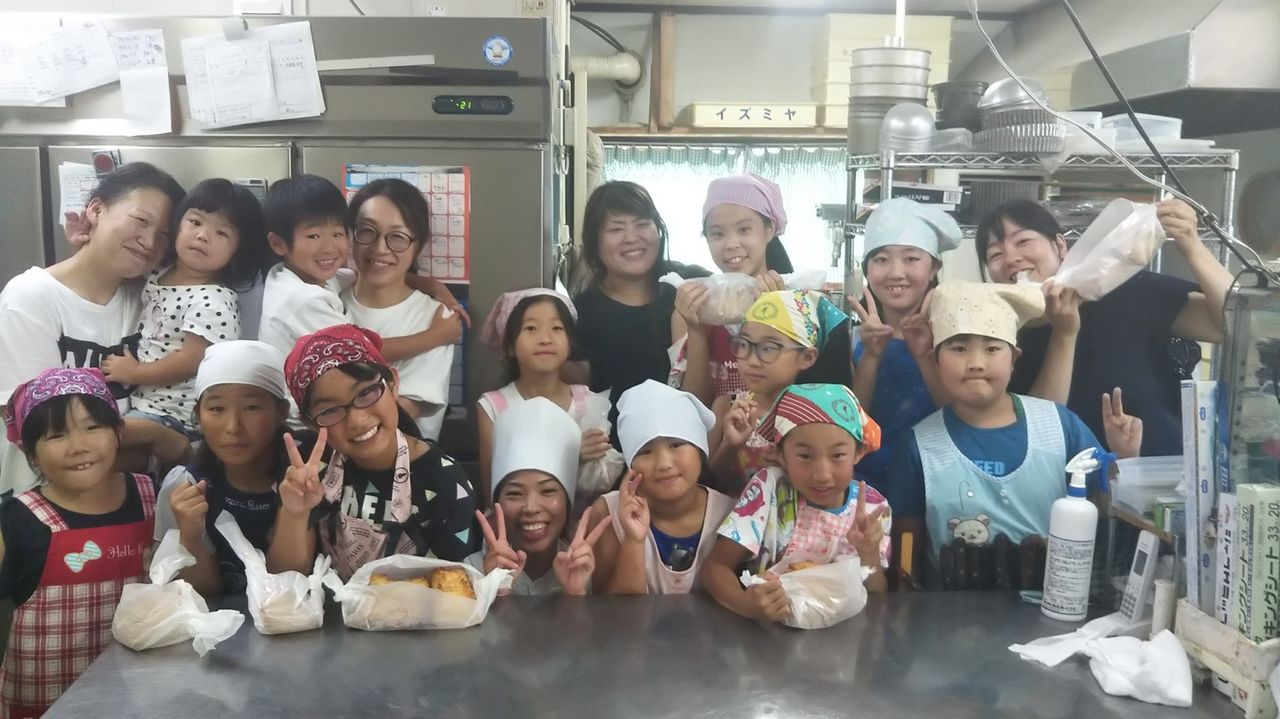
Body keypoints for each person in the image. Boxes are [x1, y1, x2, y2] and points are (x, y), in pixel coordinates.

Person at [885, 281, 1142, 579]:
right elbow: (906, 550)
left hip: (1054, 599)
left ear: (1014, 360)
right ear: (936, 359)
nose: (976, 363)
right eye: (959, 348)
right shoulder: (918, 445)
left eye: (992, 348)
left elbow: (1105, 508)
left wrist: (1125, 458)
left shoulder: (1060, 425)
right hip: (950, 603)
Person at [976, 198, 1228, 456]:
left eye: (1023, 242)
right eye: (995, 254)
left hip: (1160, 472)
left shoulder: (1128, 291)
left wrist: (1193, 247)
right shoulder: (999, 336)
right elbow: (1038, 431)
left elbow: (1226, 325)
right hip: (1065, 478)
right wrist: (1064, 334)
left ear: (1060, 245)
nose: (1011, 258)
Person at [0, 162, 189, 493]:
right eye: (141, 221)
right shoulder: (30, 297)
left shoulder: (150, 297)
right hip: (46, 504)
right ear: (96, 209)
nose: (148, 242)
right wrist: (155, 434)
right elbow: (42, 426)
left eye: (164, 235)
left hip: (130, 497)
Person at [0, 368, 156, 717]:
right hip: (43, 704)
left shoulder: (150, 496)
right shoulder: (17, 518)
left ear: (118, 433)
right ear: (30, 453)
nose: (78, 447)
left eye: (92, 427)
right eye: (56, 435)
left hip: (133, 696)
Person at [268, 324, 479, 581]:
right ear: (310, 422)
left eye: (367, 393)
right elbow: (285, 580)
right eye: (330, 410)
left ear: (393, 384)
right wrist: (294, 514)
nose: (357, 420)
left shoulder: (445, 481)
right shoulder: (306, 463)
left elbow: (450, 588)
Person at [103, 178, 274, 445]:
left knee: (109, 439)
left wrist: (135, 373)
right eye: (195, 222)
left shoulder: (214, 299)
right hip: (145, 402)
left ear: (237, 251)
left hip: (177, 414)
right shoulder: (161, 272)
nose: (202, 235)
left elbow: (191, 360)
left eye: (222, 233)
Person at [701, 384, 890, 622]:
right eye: (804, 456)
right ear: (781, 455)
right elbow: (715, 568)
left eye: (837, 456)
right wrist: (745, 604)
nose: (822, 475)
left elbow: (877, 595)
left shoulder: (874, 508)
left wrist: (869, 552)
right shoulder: (769, 489)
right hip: (768, 633)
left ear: (859, 452)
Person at [257, 175, 466, 361]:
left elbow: (355, 274)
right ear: (278, 243)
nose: (329, 247)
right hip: (294, 395)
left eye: (337, 234)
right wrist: (437, 336)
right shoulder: (303, 300)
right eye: (313, 236)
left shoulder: (291, 275)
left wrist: (433, 285)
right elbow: (359, 350)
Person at [572, 181, 709, 444]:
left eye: (642, 224)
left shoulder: (691, 287)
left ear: (659, 230)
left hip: (689, 453)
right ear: (594, 241)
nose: (631, 238)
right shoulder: (581, 314)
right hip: (615, 458)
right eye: (616, 229)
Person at [153, 341, 293, 597]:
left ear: (281, 412)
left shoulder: (304, 479)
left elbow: (290, 587)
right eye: (216, 409)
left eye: (251, 407)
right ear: (199, 414)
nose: (233, 427)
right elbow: (204, 596)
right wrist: (191, 536)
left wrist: (295, 514)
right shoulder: (183, 486)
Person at [340, 178, 463, 440]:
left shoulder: (435, 319)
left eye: (397, 237)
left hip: (398, 462)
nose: (379, 248)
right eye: (367, 231)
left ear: (418, 245)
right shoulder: (327, 300)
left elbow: (399, 416)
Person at [588, 380, 734, 594]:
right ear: (630, 463)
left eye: (676, 444)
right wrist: (633, 541)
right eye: (645, 451)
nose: (664, 464)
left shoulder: (731, 515)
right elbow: (613, 608)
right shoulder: (607, 514)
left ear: (700, 449)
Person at [475, 289, 613, 506]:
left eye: (557, 328)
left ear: (569, 343)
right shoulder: (494, 406)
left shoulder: (588, 402)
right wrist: (571, 455)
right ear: (509, 346)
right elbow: (492, 489)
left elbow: (600, 483)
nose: (545, 339)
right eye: (531, 328)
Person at [467, 397, 609, 596]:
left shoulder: (587, 568)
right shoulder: (471, 571)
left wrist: (575, 593)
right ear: (496, 502)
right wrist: (496, 587)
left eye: (548, 491)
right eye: (515, 493)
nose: (531, 508)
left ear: (567, 501)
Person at [707, 290, 847, 491]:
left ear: (807, 357)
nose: (752, 360)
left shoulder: (819, 414)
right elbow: (706, 483)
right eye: (744, 344)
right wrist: (730, 446)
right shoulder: (725, 407)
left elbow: (834, 484)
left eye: (768, 348)